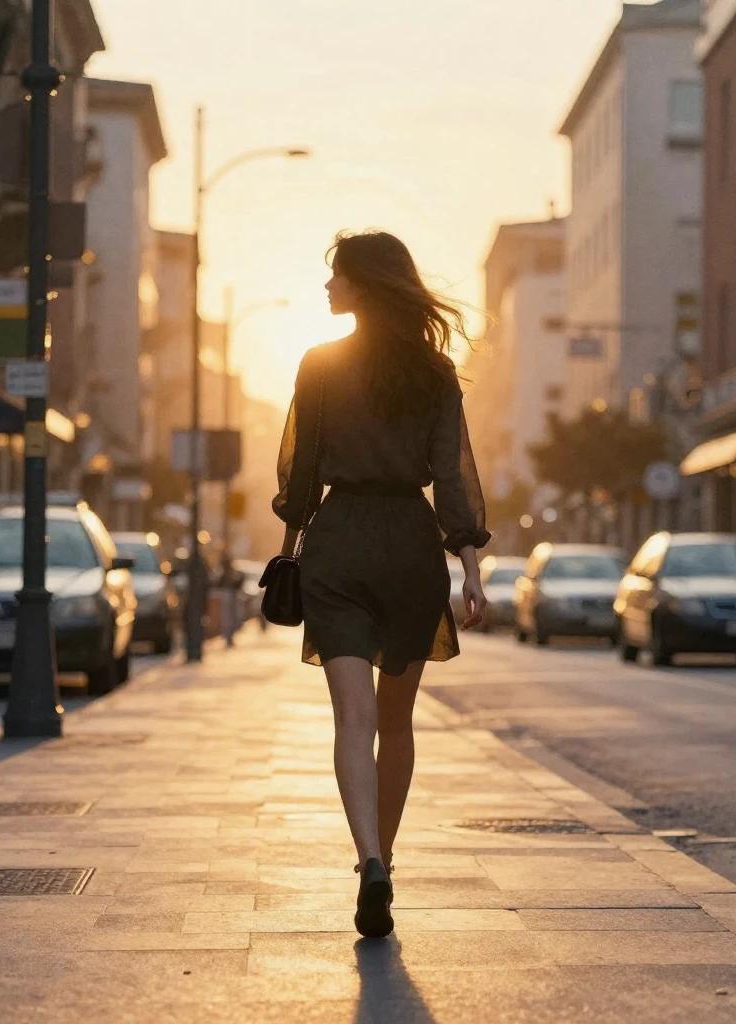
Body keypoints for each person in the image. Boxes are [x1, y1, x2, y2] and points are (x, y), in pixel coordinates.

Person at [273, 230, 490, 939]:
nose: (328, 288)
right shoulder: (433, 372)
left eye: (337, 276)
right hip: (410, 546)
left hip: (338, 544)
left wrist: (290, 547)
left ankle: (367, 858)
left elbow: (301, 471)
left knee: (352, 721)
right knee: (395, 723)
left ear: (364, 285)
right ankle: (385, 861)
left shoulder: (319, 365)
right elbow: (453, 476)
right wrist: (471, 565)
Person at [215, 554, 244, 647]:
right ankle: (228, 638)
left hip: (228, 594)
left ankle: (229, 638)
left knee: (229, 617)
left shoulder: (227, 573)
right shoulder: (228, 573)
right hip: (229, 595)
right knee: (229, 617)